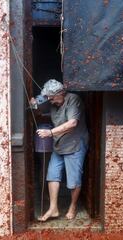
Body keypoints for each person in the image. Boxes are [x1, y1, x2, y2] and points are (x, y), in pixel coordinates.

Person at [30, 79, 89, 221]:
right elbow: (38, 110)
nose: (50, 101)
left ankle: (73, 206)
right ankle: (53, 208)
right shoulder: (52, 102)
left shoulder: (73, 99)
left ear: (61, 93)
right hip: (59, 144)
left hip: (75, 144)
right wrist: (34, 105)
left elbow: (72, 123)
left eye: (52, 98)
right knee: (52, 175)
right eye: (48, 98)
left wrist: (50, 133)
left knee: (73, 180)